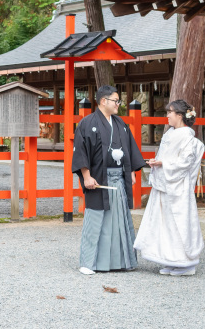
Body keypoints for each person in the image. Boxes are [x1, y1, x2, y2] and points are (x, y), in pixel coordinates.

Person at [72, 85, 147, 275]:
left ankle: (120, 261)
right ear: (103, 101)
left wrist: (130, 173)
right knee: (96, 221)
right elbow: (81, 152)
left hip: (118, 180)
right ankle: (88, 263)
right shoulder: (87, 123)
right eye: (116, 101)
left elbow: (129, 149)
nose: (118, 105)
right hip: (98, 180)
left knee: (118, 221)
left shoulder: (120, 124)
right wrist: (87, 176)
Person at [134, 99, 205, 276]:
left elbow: (186, 162)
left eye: (170, 112)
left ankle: (186, 263)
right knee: (165, 222)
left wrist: (163, 163)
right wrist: (158, 162)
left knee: (178, 222)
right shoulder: (170, 134)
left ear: (180, 116)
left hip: (178, 185)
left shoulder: (187, 136)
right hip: (166, 182)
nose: (167, 116)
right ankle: (171, 259)